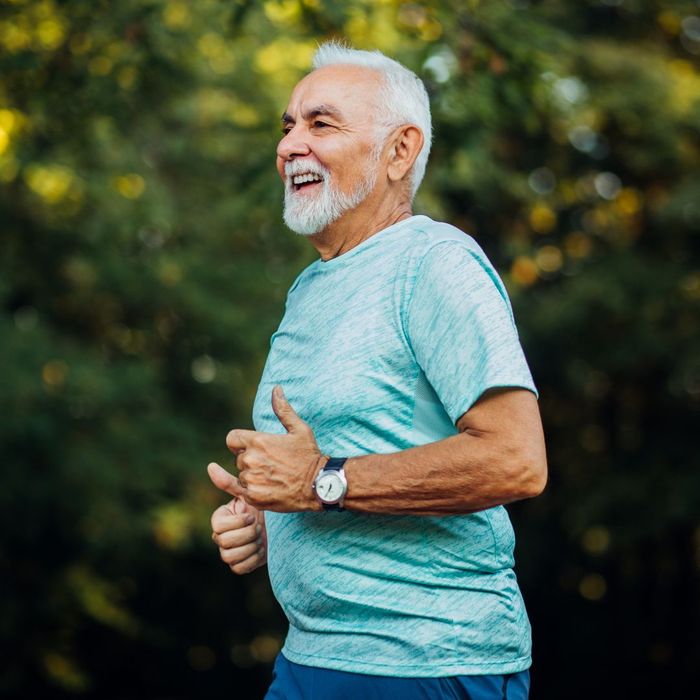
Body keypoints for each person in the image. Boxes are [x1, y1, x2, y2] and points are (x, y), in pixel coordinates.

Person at [207, 42, 547, 700]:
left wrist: (318, 484)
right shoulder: (309, 289)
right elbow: (342, 464)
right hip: (311, 656)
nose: (289, 145)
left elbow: (517, 460)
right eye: (287, 126)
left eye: (321, 123)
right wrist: (266, 522)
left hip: (427, 659)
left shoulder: (436, 263)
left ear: (400, 151)